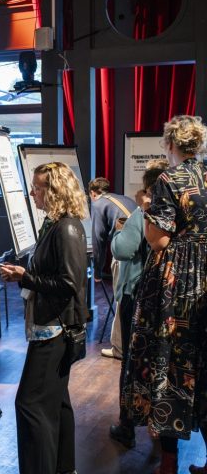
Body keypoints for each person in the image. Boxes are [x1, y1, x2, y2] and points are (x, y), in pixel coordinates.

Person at [121, 115, 207, 474]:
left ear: (170, 144)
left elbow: (158, 241)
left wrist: (146, 212)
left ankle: (168, 462)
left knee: (169, 363)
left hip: (178, 283)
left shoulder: (169, 180)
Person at [0, 162, 88, 474]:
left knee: (30, 404)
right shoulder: (57, 225)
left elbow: (68, 283)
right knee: (56, 402)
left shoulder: (66, 228)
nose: (32, 193)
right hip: (53, 327)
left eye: (37, 188)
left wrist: (25, 277)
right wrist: (24, 275)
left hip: (55, 329)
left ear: (55, 191)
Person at [107, 160, 169, 448]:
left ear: (147, 188)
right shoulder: (177, 213)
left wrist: (118, 232)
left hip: (137, 295)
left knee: (131, 363)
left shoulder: (141, 214)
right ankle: (162, 428)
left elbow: (122, 250)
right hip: (166, 297)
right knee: (162, 363)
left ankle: (127, 425)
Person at [88, 177, 136, 360]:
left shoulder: (98, 204)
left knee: (120, 298)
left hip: (123, 253)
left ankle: (119, 348)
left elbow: (98, 239)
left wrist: (97, 271)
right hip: (140, 252)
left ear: (92, 193)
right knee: (130, 298)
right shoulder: (122, 198)